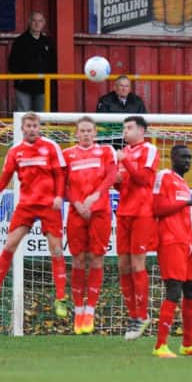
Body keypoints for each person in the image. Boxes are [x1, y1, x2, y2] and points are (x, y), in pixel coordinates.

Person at [0, 112, 68, 318]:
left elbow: (60, 174)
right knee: (10, 245)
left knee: (56, 250)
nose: (32, 129)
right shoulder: (15, 152)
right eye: (28, 126)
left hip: (49, 206)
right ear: (22, 128)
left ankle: (61, 299)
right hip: (26, 206)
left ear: (39, 127)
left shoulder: (51, 147)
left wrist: (59, 196)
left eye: (35, 125)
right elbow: (5, 178)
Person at [151, 145, 192, 358]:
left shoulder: (184, 184)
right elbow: (157, 208)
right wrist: (187, 202)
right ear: (173, 157)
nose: (187, 161)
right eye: (184, 156)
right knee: (174, 291)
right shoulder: (164, 176)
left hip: (186, 244)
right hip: (170, 243)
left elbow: (180, 218)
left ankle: (188, 345)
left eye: (190, 158)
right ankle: (160, 346)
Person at [63, 116, 117, 334]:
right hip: (76, 212)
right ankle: (77, 311)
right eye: (82, 131)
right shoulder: (67, 155)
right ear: (76, 133)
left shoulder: (106, 152)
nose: (85, 134)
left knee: (96, 258)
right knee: (78, 259)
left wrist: (95, 196)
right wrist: (76, 202)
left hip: (100, 212)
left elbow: (112, 175)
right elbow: (62, 184)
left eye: (89, 131)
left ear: (95, 133)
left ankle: (90, 310)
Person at [115, 115, 158, 340]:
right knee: (122, 265)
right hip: (123, 213)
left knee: (136, 262)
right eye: (124, 128)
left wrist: (126, 162)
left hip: (141, 213)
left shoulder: (149, 150)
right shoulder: (124, 154)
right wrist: (113, 177)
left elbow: (142, 179)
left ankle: (142, 315)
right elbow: (121, 183)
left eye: (129, 127)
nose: (125, 131)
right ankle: (133, 316)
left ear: (141, 131)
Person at [8, 11, 56, 112]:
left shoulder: (48, 42)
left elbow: (53, 63)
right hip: (24, 86)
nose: (37, 23)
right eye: (34, 20)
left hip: (43, 86)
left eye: (40, 21)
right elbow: (12, 62)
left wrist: (50, 80)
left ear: (44, 24)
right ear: (29, 22)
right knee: (23, 116)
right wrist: (20, 79)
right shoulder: (20, 41)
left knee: (42, 117)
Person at [96, 75, 147, 148]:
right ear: (115, 87)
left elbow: (143, 121)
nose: (124, 89)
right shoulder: (105, 100)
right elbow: (101, 123)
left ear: (130, 88)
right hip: (111, 140)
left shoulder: (137, 101)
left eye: (127, 86)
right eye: (121, 86)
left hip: (131, 140)